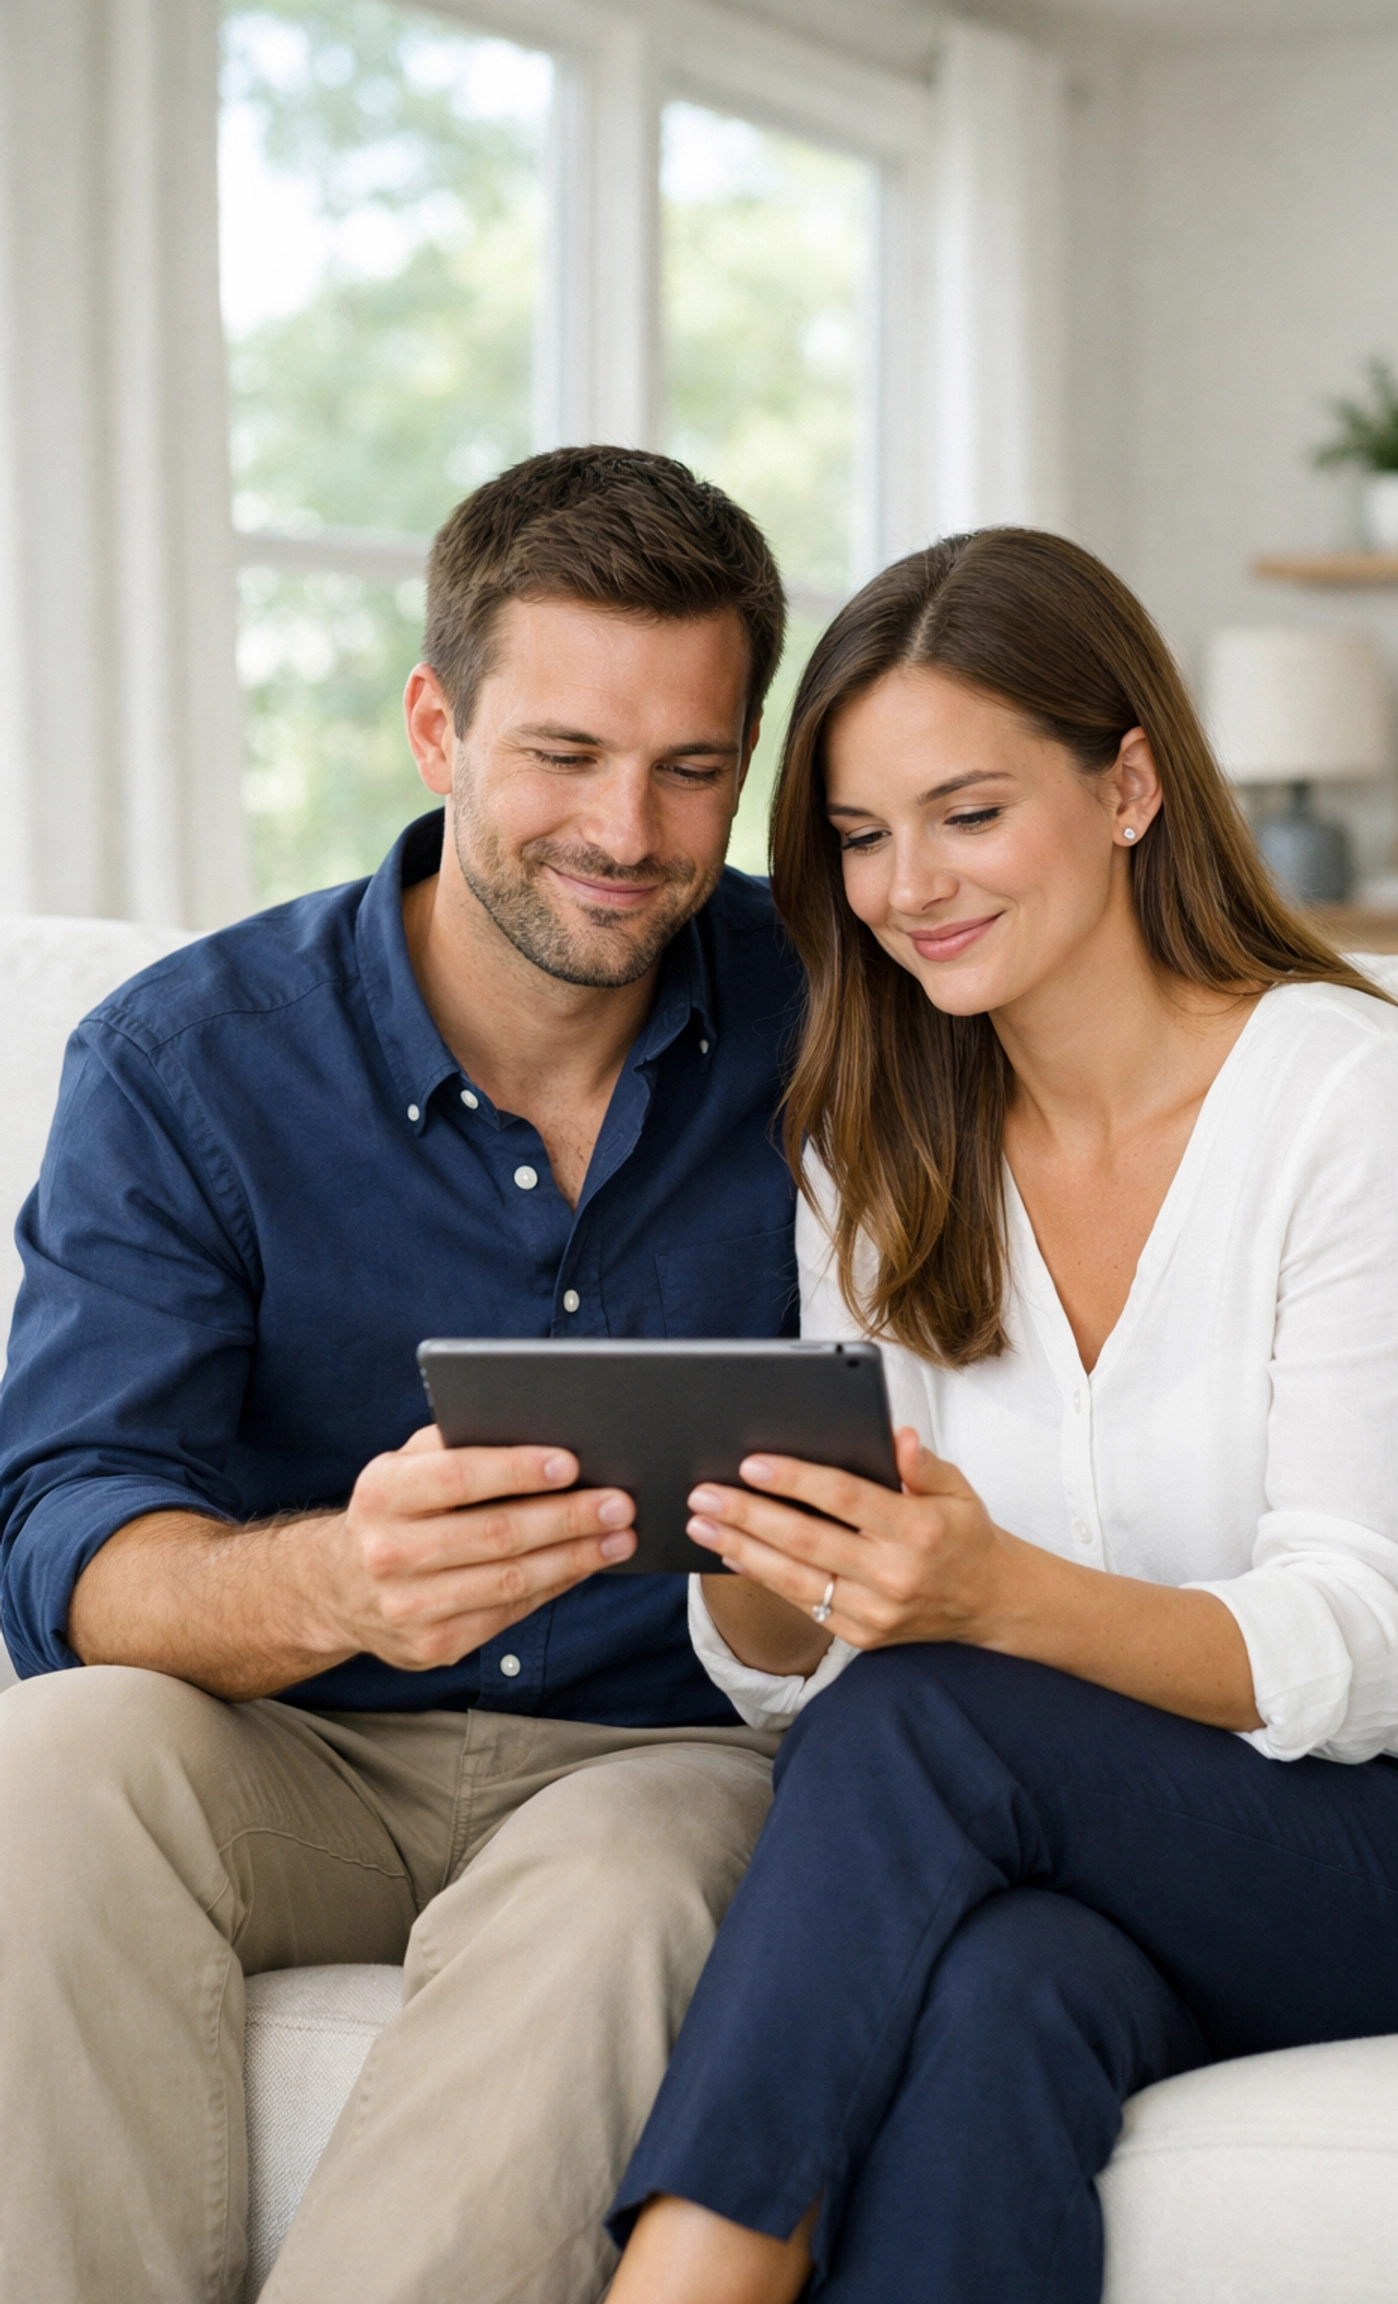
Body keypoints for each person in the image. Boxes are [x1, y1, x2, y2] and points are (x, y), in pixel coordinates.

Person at [604, 528, 1398, 2304]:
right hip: (1087, 1853)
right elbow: (784, 1669)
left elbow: (1369, 1640)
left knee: (939, 1705)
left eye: (968, 814)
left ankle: (680, 2281)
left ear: (1128, 785)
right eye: (862, 839)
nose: (908, 888)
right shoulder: (873, 1146)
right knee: (998, 1996)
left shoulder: (1350, 1098)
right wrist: (755, 1551)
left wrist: (979, 1601)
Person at [0, 445, 833, 2304]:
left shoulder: (852, 1003)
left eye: (693, 767)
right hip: (290, 1738)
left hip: (659, 1756)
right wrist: (328, 1578)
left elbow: (1178, 1049)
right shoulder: (183, 1063)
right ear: (436, 727)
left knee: (635, 1890)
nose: (629, 829)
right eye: (564, 754)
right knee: (45, 1761)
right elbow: (66, 1529)